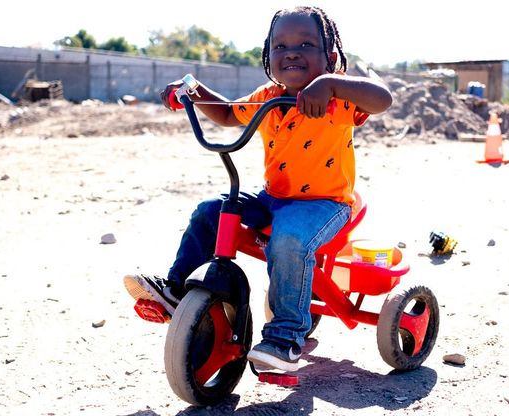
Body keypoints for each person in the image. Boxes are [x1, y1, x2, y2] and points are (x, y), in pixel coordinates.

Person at [123, 6, 392, 372]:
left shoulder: (339, 96)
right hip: (274, 198)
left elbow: (383, 100)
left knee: (290, 239)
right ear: (268, 56)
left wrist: (330, 84)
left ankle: (286, 338)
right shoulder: (268, 95)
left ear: (330, 57)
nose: (291, 52)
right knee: (211, 211)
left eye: (305, 44)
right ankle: (176, 292)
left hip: (325, 204)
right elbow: (229, 113)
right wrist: (195, 90)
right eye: (280, 46)